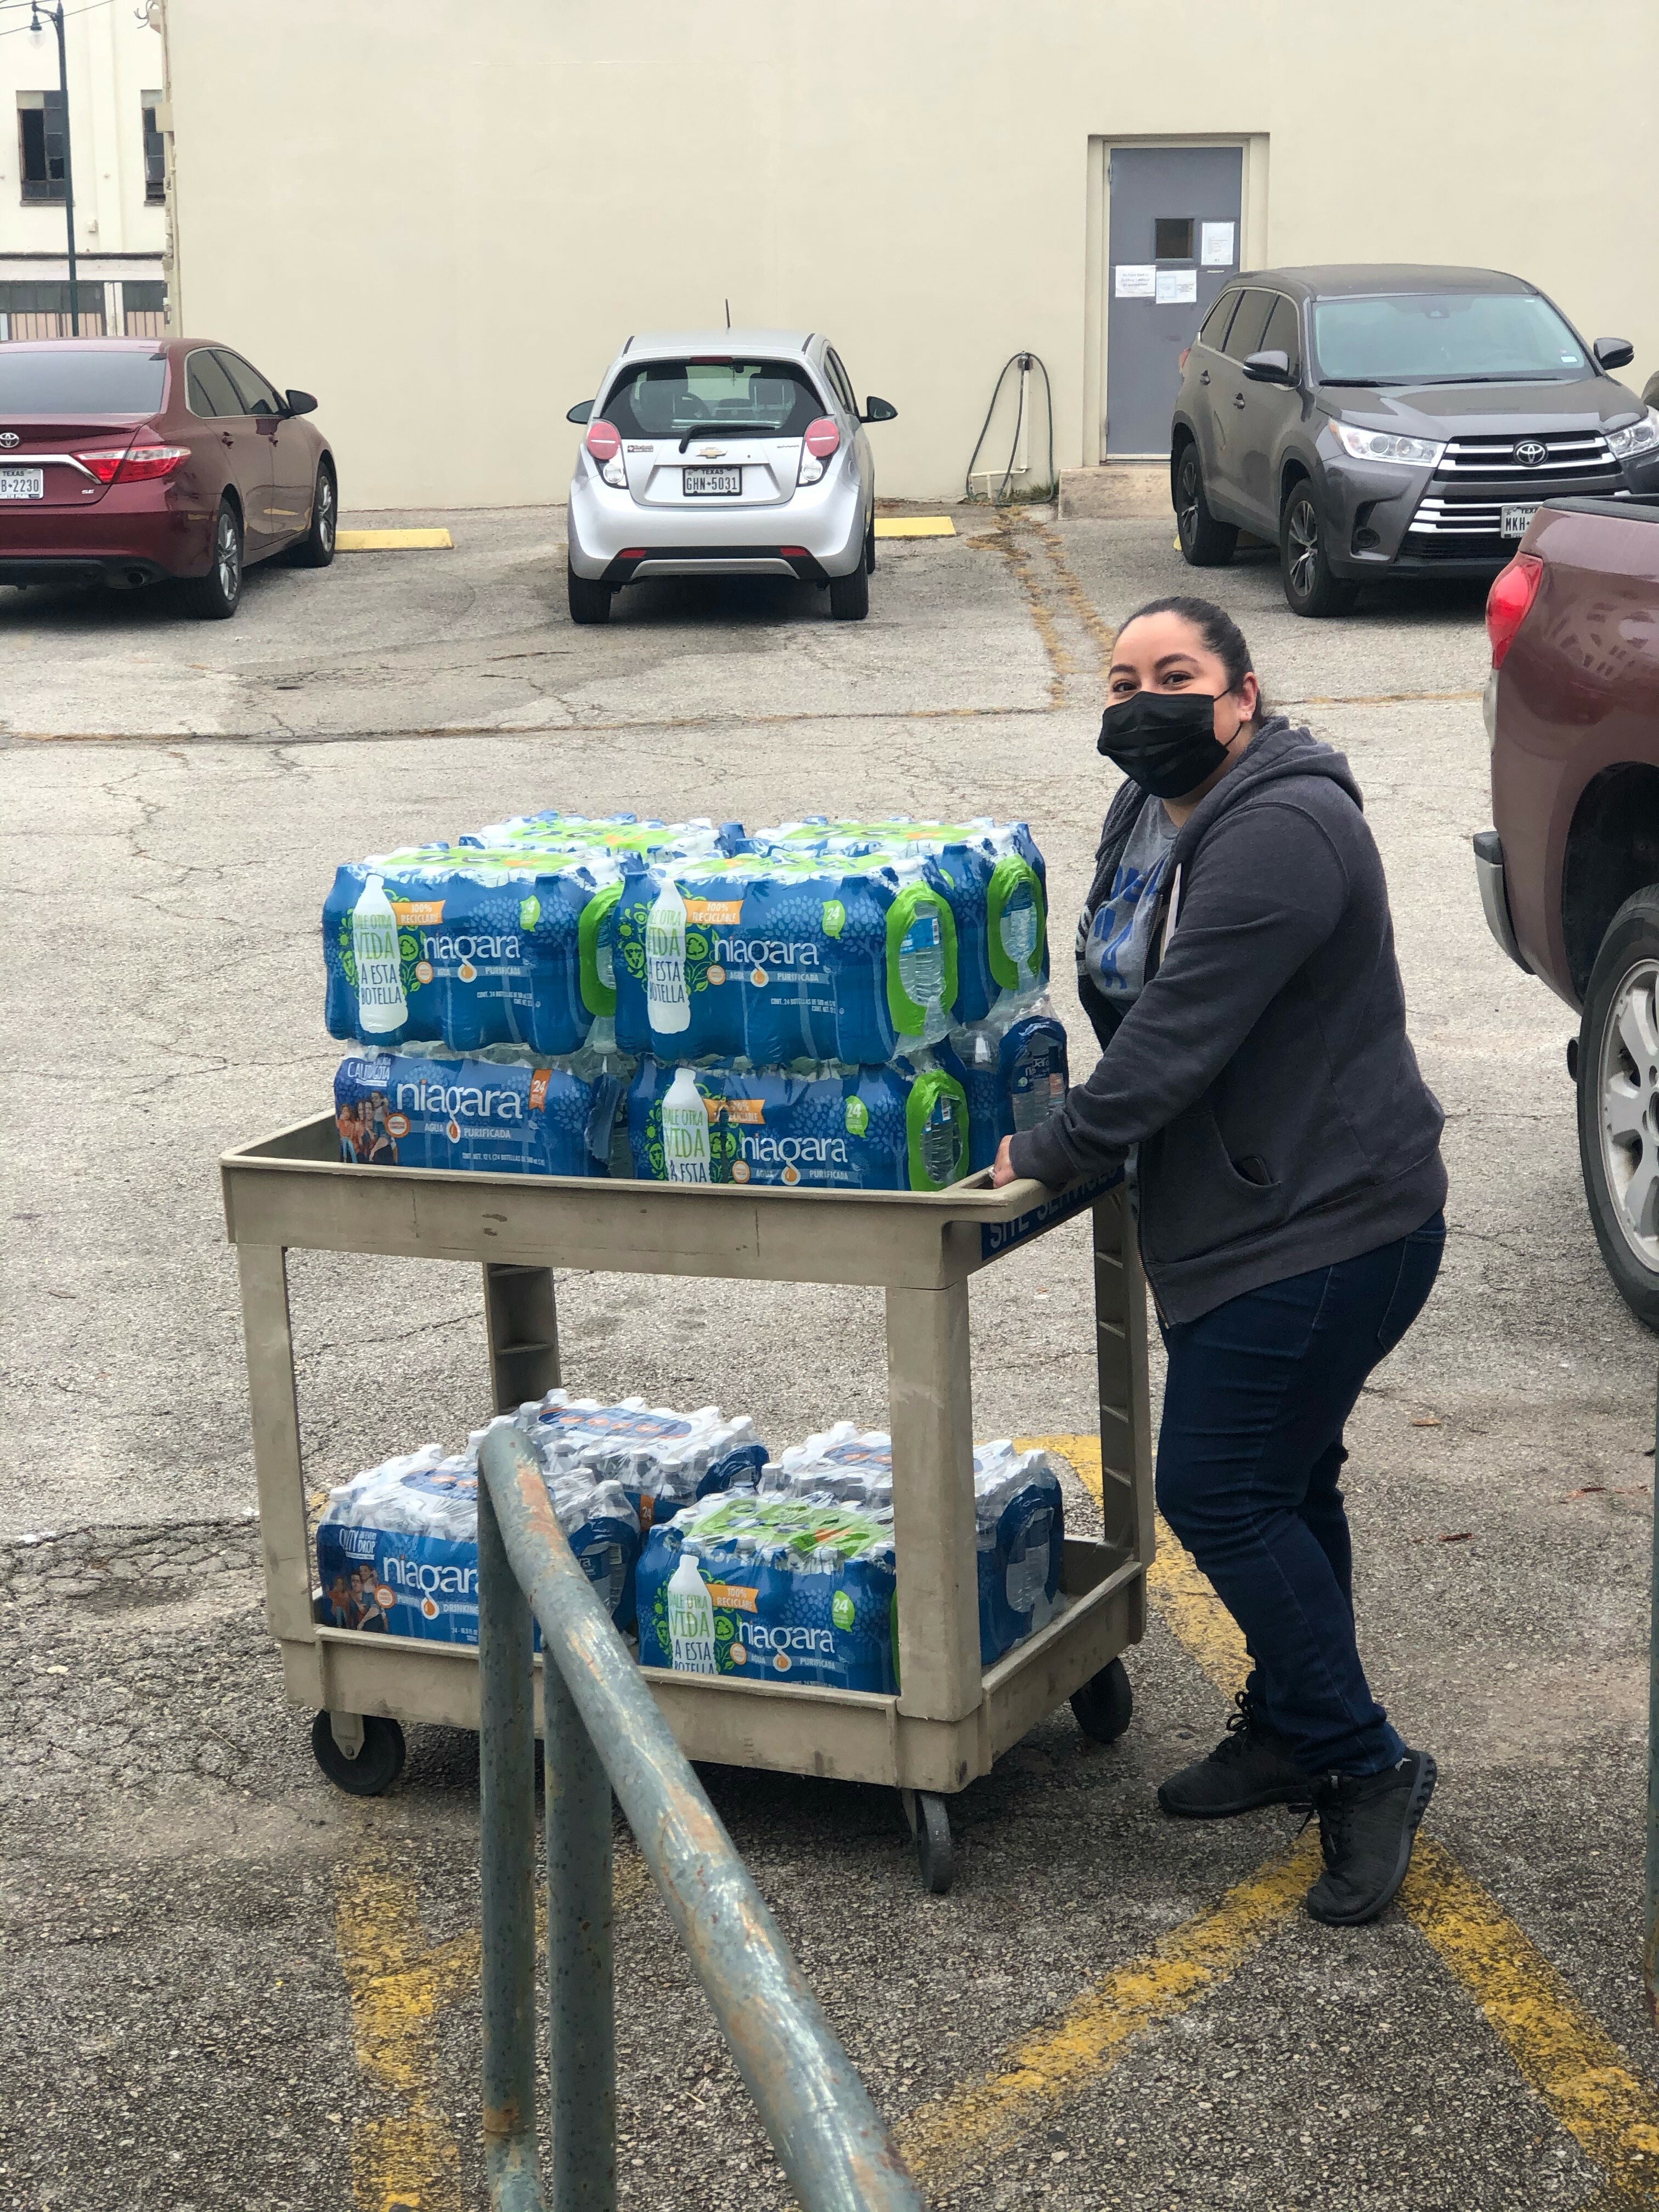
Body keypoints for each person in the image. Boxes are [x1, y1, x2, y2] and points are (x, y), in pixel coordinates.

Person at [993, 594, 1446, 1927]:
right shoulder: (1154, 815)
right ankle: (1295, 1725)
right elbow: (1114, 989)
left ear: (1243, 695)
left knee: (1218, 1488)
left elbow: (1179, 1035)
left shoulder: (1289, 829)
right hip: (1242, 1213)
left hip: (1324, 1223)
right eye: (1124, 678)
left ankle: (1366, 1762)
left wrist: (1048, 1149)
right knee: (1291, 1482)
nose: (1144, 702)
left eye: (1176, 675)